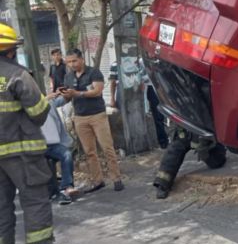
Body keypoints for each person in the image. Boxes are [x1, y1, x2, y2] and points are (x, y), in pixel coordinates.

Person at [0, 23, 59, 244]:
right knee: (34, 197)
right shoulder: (17, 74)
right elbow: (38, 111)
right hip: (21, 150)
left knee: (1, 202)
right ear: (11, 50)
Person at [61, 49, 123, 192]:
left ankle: (116, 178)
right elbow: (68, 97)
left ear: (81, 59)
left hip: (97, 115)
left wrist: (77, 93)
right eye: (69, 62)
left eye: (74, 61)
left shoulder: (93, 72)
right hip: (79, 117)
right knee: (89, 152)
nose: (72, 64)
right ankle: (97, 180)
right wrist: (63, 95)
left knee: (107, 147)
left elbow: (97, 91)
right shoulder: (68, 77)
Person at [153, 127, 227, 199]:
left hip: (204, 134)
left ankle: (216, 154)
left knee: (216, 161)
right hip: (185, 132)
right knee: (173, 153)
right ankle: (162, 184)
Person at [110, 59, 169, 149]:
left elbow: (146, 79)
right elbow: (113, 83)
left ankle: (162, 142)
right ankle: (127, 146)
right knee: (124, 119)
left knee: (157, 117)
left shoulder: (139, 61)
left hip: (143, 90)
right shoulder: (115, 64)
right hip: (123, 92)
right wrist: (112, 99)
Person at [42, 93, 77, 205]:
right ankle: (53, 193)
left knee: (66, 155)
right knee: (47, 165)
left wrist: (65, 92)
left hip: (54, 144)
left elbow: (65, 99)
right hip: (37, 146)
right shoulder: (26, 107)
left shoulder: (49, 103)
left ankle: (66, 188)